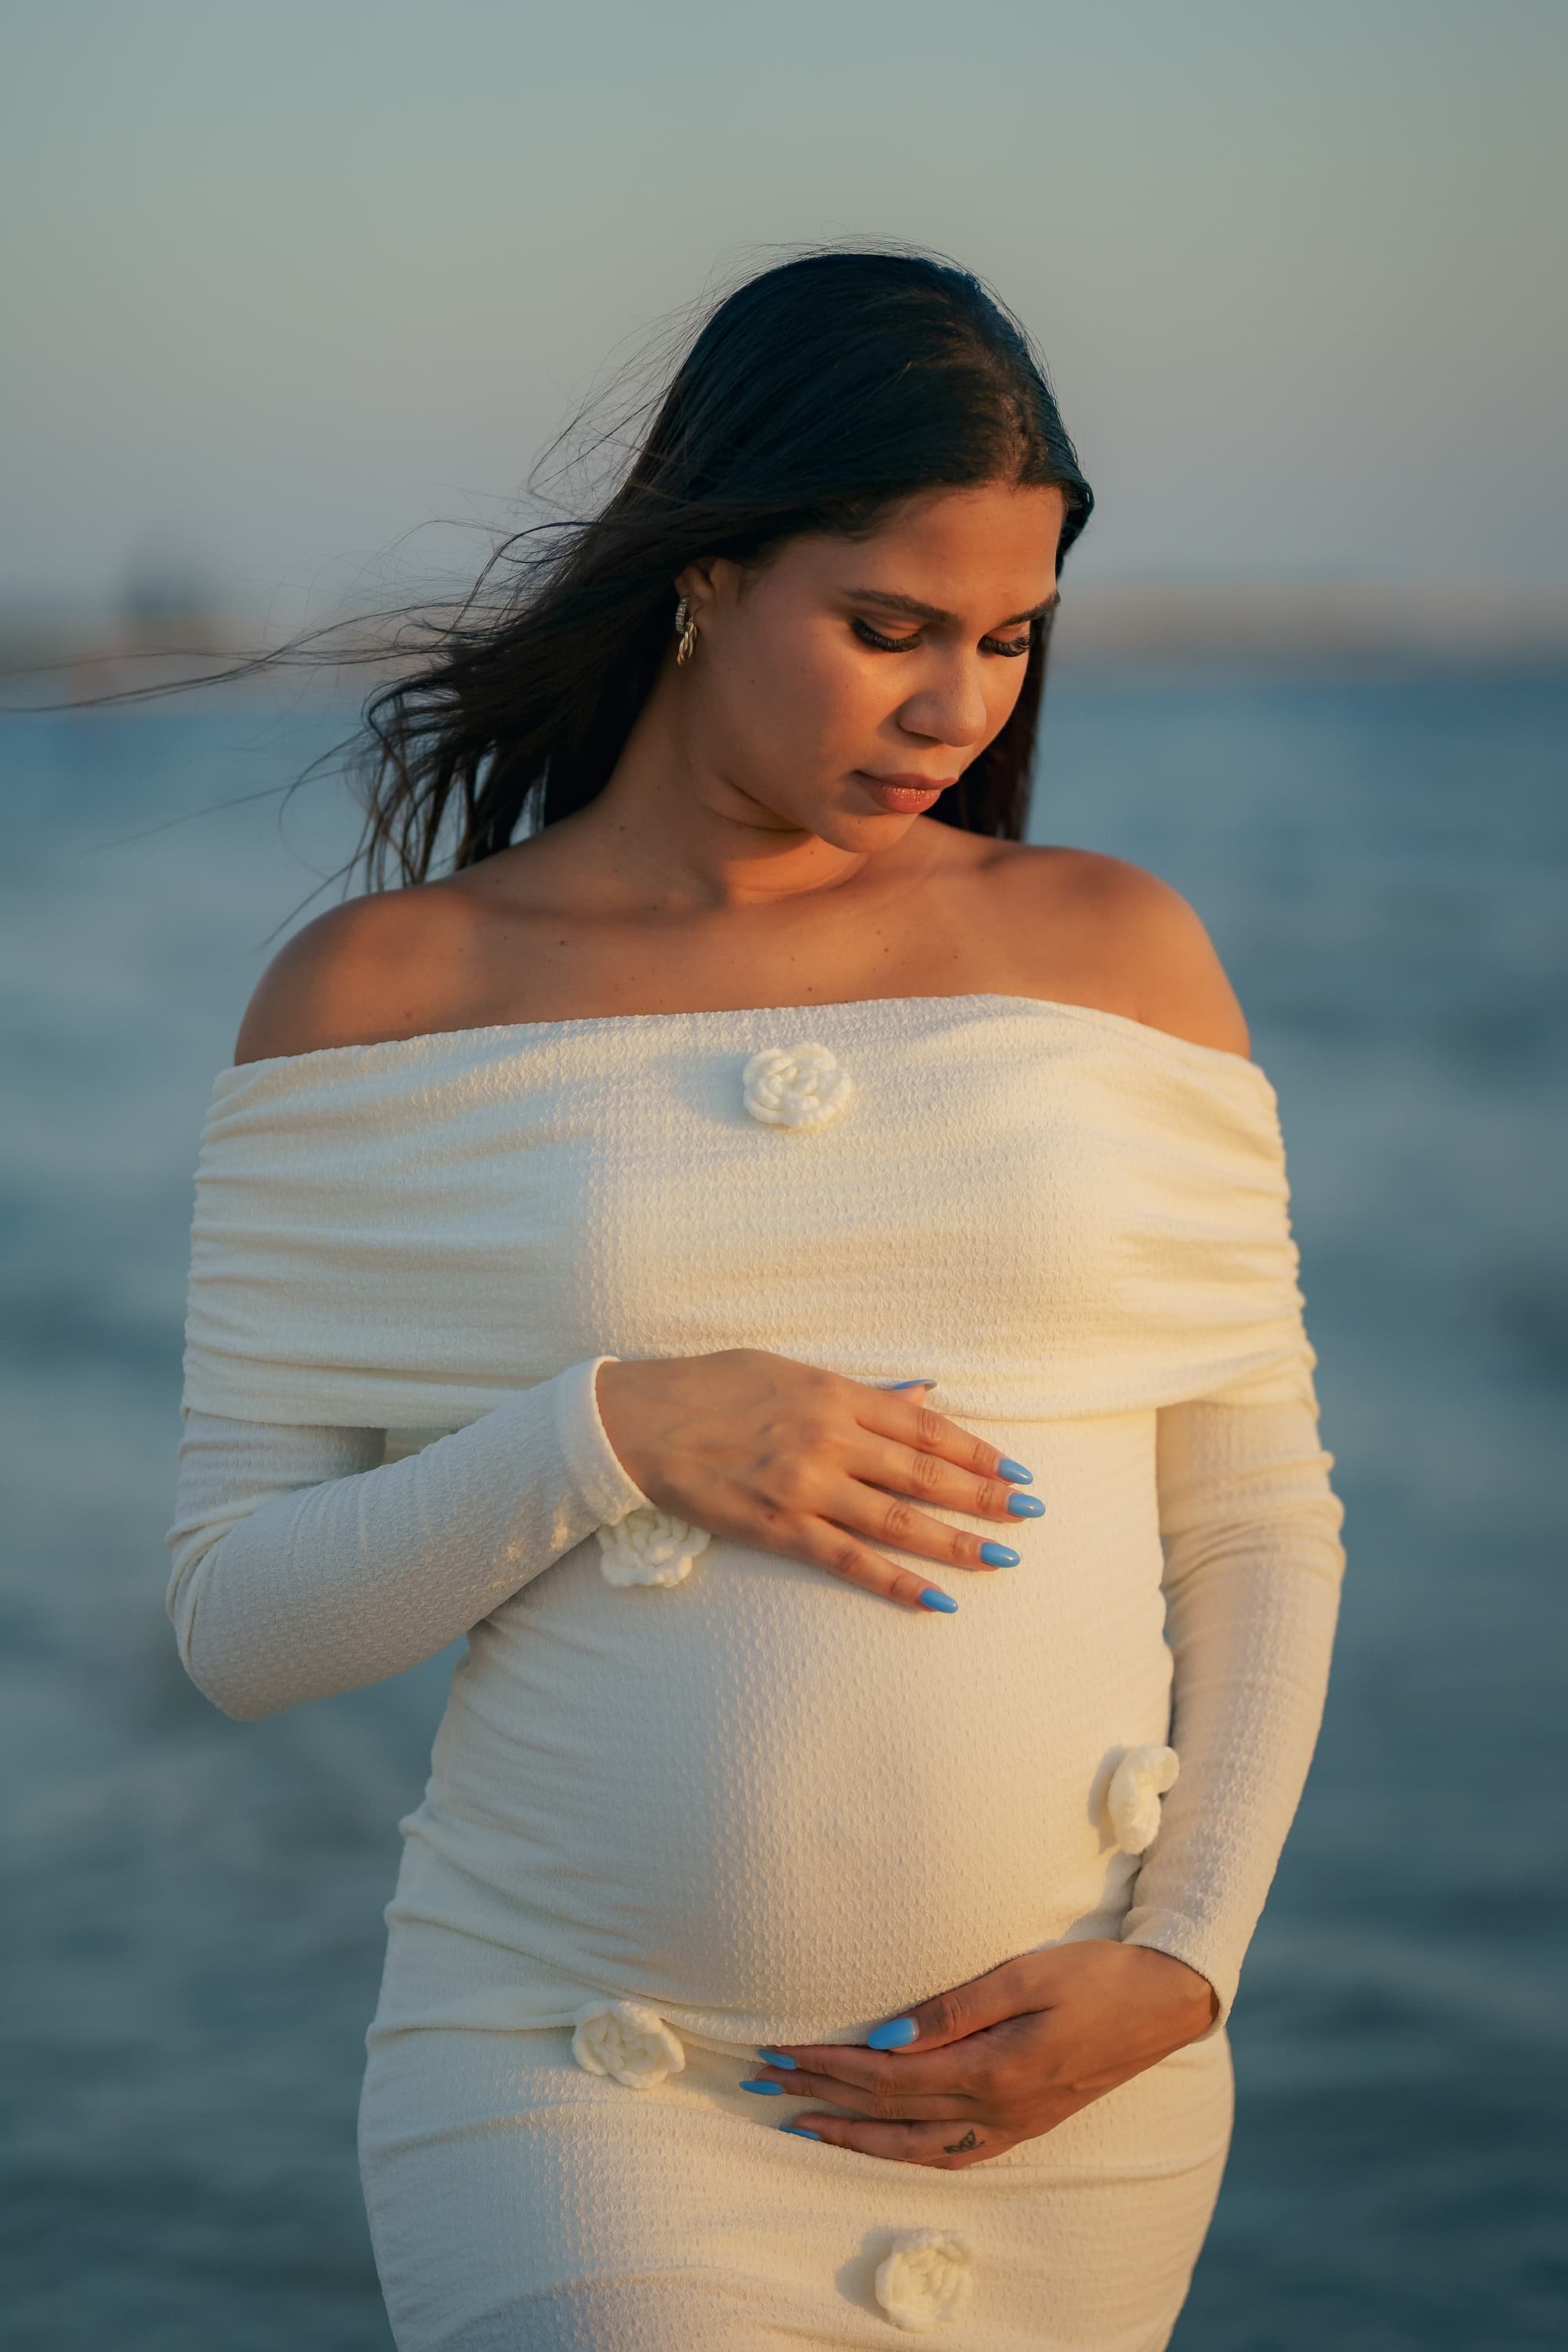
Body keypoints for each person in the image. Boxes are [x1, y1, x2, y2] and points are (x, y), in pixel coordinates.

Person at [166, 249, 1348, 2349]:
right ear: (705, 575)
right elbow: (240, 1624)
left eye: (1005, 639)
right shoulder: (382, 1000)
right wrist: (605, 1435)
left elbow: (1251, 1515)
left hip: (1056, 2094)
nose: (955, 707)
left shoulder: (1114, 956)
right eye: (885, 627)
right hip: (580, 2080)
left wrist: (1188, 1961)